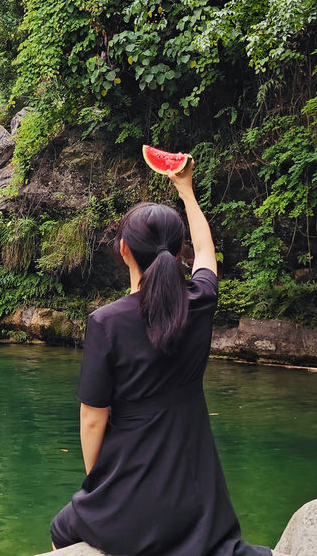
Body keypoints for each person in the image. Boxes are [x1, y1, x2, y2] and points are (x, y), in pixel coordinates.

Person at [49, 160, 271, 556]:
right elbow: (206, 252)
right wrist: (185, 188)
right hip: (197, 494)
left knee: (62, 530)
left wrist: (102, 486)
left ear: (124, 250)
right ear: (179, 251)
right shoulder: (199, 303)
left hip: (129, 494)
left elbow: (92, 418)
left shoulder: (105, 323)